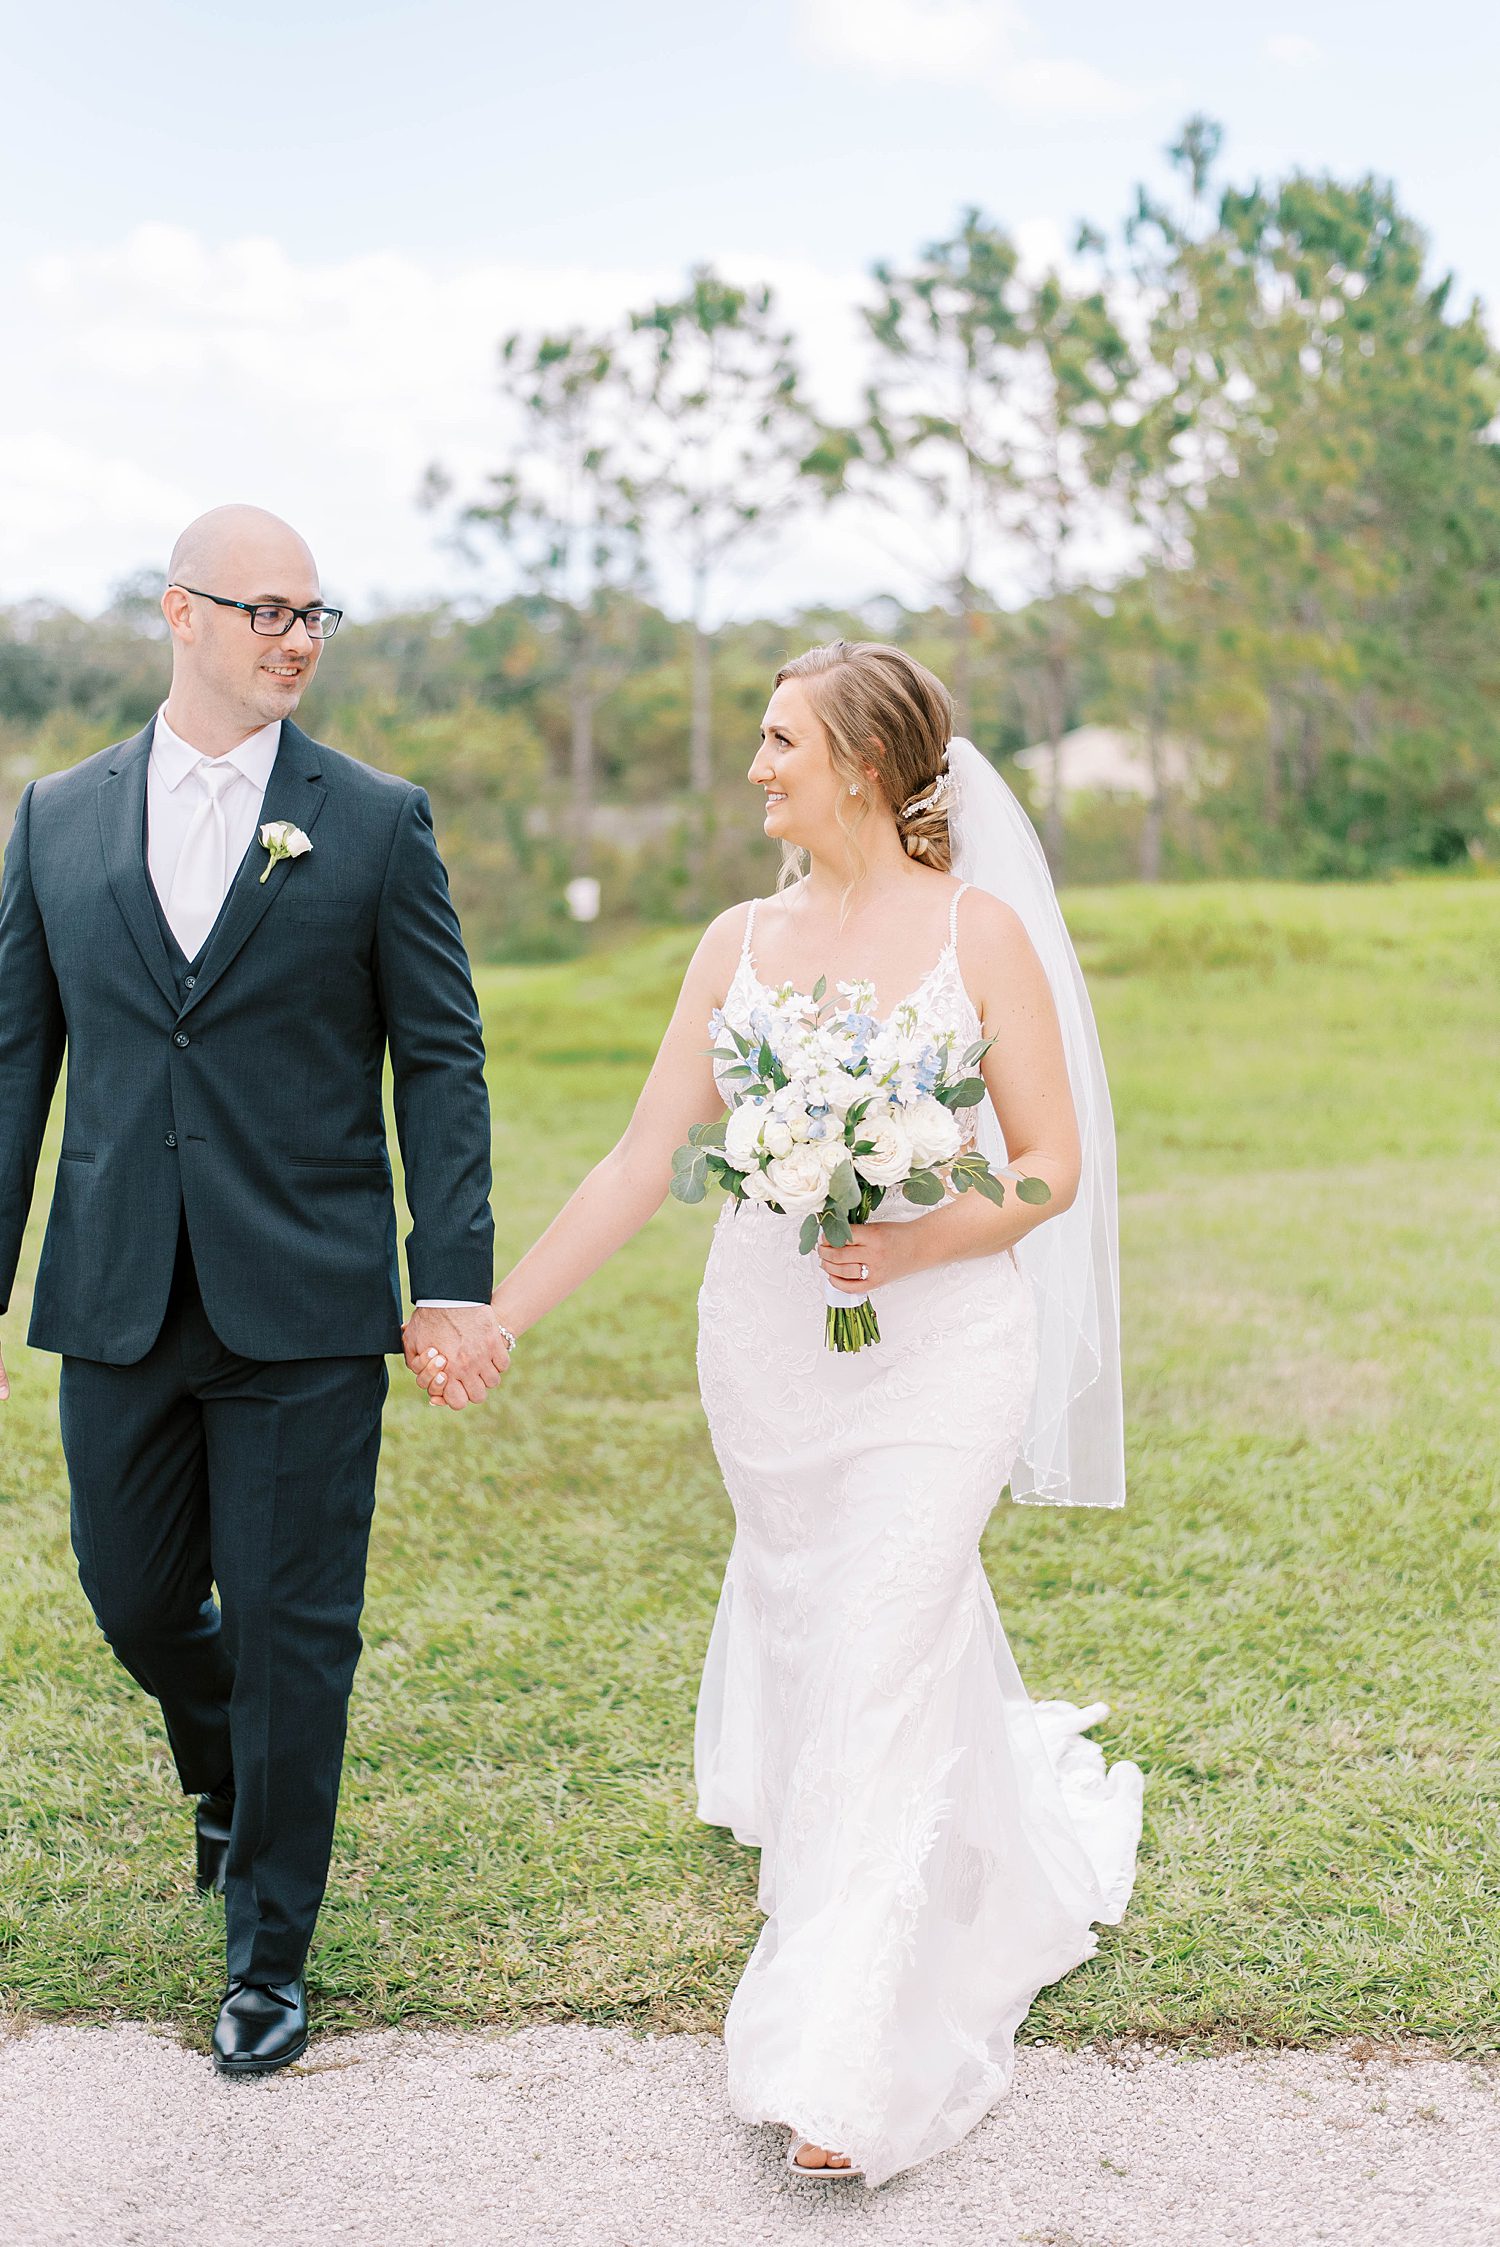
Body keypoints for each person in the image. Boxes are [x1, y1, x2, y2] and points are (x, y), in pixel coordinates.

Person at [443, 640, 1143, 2185]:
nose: (754, 766)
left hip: (947, 1341)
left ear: (866, 768)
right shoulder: (736, 942)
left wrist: (914, 1230)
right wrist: (500, 1313)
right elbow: (643, 1162)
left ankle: (851, 2059)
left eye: (778, 741)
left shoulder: (982, 934)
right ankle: (909, 1866)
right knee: (831, 1628)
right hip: (768, 1343)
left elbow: (1047, 1169)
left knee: (889, 1625)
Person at [0, 505, 509, 2076]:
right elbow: (19, 1061)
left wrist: (455, 1283)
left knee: (299, 1634)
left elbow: (441, 1057)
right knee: (136, 1595)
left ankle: (267, 1958)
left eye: (315, 614)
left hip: (305, 1299)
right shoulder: (55, 817)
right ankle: (223, 1757)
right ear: (181, 616)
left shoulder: (370, 822)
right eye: (268, 609)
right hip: (119, 1291)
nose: (298, 638)